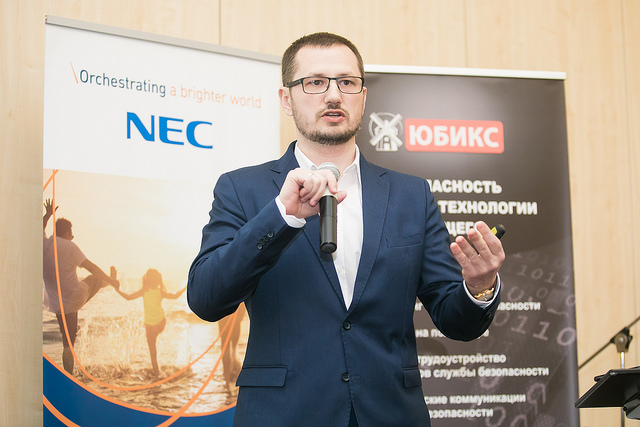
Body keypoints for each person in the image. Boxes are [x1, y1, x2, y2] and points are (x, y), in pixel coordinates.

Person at [187, 32, 505, 427]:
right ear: (286, 99)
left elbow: (456, 322)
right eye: (315, 82)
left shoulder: (411, 195)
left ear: (363, 96)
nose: (333, 95)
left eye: (347, 82)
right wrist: (282, 216)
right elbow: (206, 298)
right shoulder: (242, 189)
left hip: (390, 415)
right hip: (282, 415)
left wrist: (479, 286)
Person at [42, 199, 120, 374]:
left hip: (56, 302)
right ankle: (110, 282)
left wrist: (47, 215)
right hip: (74, 297)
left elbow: (40, 227)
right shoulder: (70, 246)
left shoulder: (44, 244)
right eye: (72, 233)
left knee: (67, 342)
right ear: (67, 232)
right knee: (94, 278)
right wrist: (111, 279)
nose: (72, 236)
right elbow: (91, 267)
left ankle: (68, 374)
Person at [114, 268, 186, 377]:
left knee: (153, 353)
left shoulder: (145, 291)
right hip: (160, 323)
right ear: (157, 280)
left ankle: (157, 374)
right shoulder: (159, 291)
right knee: (153, 350)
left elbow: (128, 297)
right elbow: (175, 296)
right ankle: (157, 373)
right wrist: (186, 287)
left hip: (151, 326)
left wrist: (117, 290)